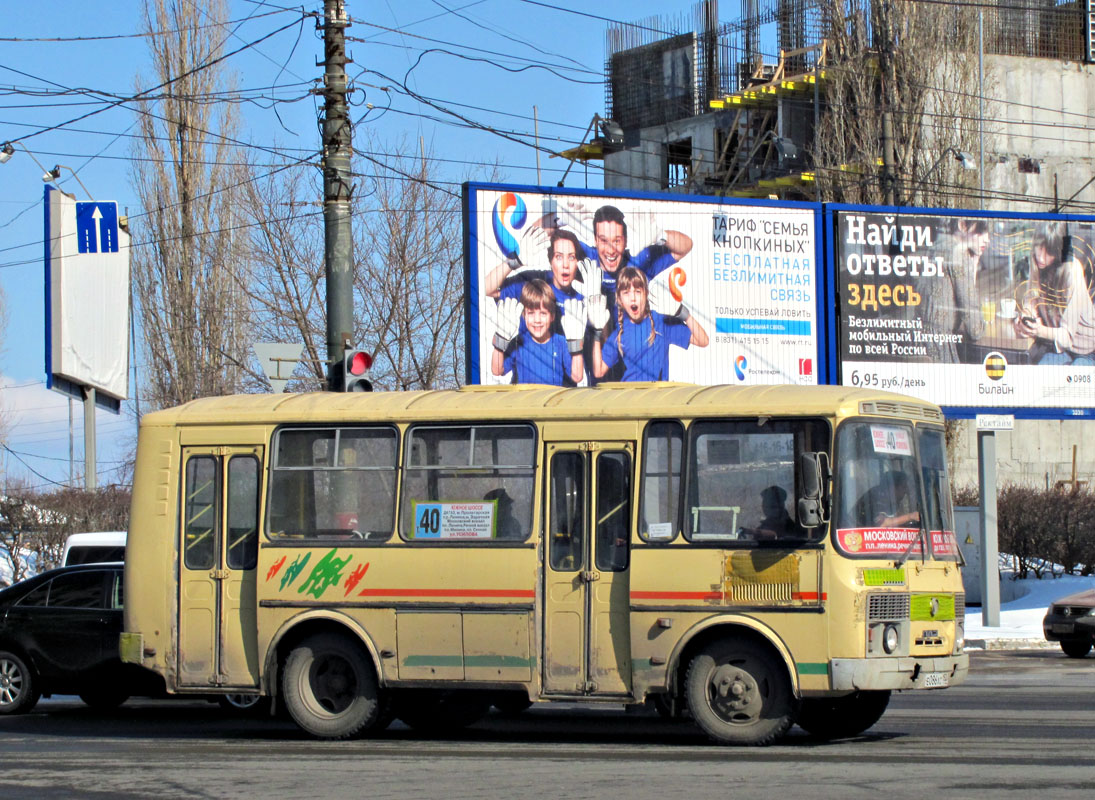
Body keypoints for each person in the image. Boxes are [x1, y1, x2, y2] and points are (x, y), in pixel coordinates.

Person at [589, 267, 708, 382]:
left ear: (646, 294)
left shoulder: (661, 322)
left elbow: (703, 340)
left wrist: (682, 312)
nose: (633, 298)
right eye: (626, 293)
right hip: (630, 398)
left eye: (638, 291)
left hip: (656, 398)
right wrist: (596, 332)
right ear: (619, 299)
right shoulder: (620, 332)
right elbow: (598, 371)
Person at [1014, 221, 1095, 365]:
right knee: (1040, 372)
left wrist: (1038, 331)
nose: (1041, 257)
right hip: (1057, 345)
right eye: (1039, 246)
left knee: (1072, 380)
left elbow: (1066, 336)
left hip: (1086, 349)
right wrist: (1025, 318)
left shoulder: (1071, 270)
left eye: (1049, 251)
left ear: (1058, 251)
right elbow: (1032, 297)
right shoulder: (1037, 262)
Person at [491, 279, 585, 385]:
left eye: (543, 313)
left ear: (552, 316)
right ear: (524, 316)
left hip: (553, 400)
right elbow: (497, 370)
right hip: (525, 400)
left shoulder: (562, 343)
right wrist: (500, 340)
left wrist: (576, 344)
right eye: (531, 313)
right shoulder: (518, 342)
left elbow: (577, 377)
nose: (537, 320)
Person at [924, 218, 989, 363]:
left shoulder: (936, 247)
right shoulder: (959, 253)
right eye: (980, 232)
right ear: (962, 225)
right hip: (940, 351)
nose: (987, 240)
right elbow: (975, 330)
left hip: (919, 348)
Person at [854, 471, 920, 529]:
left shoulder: (895, 502)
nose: (906, 491)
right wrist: (910, 516)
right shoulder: (874, 499)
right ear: (892, 488)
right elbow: (882, 524)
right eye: (903, 487)